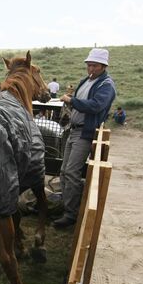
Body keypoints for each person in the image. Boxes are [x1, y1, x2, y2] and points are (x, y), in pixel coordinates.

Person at [53, 49, 116, 229]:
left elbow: (96, 105)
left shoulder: (106, 84)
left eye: (94, 65)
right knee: (65, 170)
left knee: (72, 171)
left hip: (85, 133)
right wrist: (71, 100)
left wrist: (72, 101)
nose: (90, 68)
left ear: (103, 66)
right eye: (89, 64)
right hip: (74, 130)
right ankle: (66, 206)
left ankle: (71, 214)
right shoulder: (86, 81)